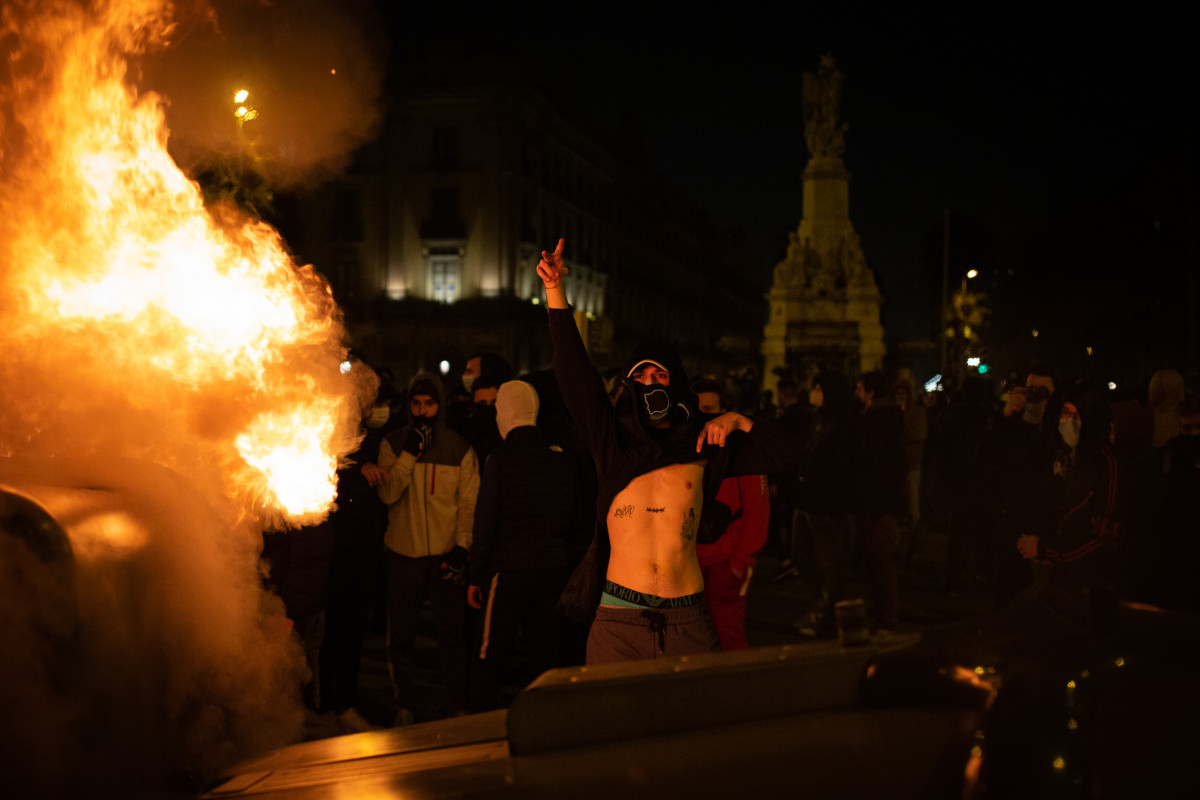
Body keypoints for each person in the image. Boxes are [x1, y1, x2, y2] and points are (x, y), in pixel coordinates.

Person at [537, 238, 799, 664]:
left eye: (660, 374)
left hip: (688, 620)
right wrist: (554, 292)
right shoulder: (612, 440)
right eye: (640, 376)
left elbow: (793, 457)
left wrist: (741, 421)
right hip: (618, 620)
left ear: (675, 384)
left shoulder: (704, 443)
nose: (651, 383)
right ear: (628, 386)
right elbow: (572, 370)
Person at [466, 380, 583, 710]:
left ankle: (479, 719)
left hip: (508, 570)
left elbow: (485, 525)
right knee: (543, 651)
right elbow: (573, 518)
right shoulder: (562, 459)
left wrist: (476, 576)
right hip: (552, 570)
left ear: (504, 414)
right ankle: (545, 718)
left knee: (490, 652)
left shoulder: (500, 460)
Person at [377, 372, 479, 722]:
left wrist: (461, 548)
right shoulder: (392, 443)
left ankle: (456, 704)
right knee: (401, 635)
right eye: (416, 404)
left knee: (451, 636)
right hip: (403, 554)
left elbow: (469, 505)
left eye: (429, 404)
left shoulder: (459, 448)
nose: (422, 411)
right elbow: (388, 494)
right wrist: (408, 455)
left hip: (443, 555)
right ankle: (403, 701)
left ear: (441, 405)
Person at [1016, 383, 1122, 629]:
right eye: (1065, 413)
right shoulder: (1065, 459)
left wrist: (1045, 549)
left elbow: (1103, 536)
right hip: (1060, 578)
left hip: (1089, 588)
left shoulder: (1107, 464)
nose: (1070, 421)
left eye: (1077, 416)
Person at [691, 379, 770, 650]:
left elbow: (757, 507)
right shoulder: (685, 445)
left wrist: (741, 560)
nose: (704, 415)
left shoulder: (743, 448)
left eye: (710, 408)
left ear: (725, 410)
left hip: (726, 560)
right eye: (698, 408)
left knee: (728, 634)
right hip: (689, 562)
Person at [792, 370, 859, 637]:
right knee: (802, 556)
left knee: (829, 563)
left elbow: (842, 469)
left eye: (816, 388)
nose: (812, 393)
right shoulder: (817, 419)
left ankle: (830, 616)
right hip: (807, 500)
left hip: (825, 505)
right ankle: (820, 607)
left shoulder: (844, 425)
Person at [852, 371, 906, 632]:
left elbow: (875, 467)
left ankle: (888, 618)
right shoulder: (889, 420)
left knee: (882, 563)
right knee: (880, 562)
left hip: (877, 503)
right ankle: (885, 613)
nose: (856, 393)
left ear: (871, 393)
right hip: (884, 500)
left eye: (860, 388)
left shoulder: (874, 423)